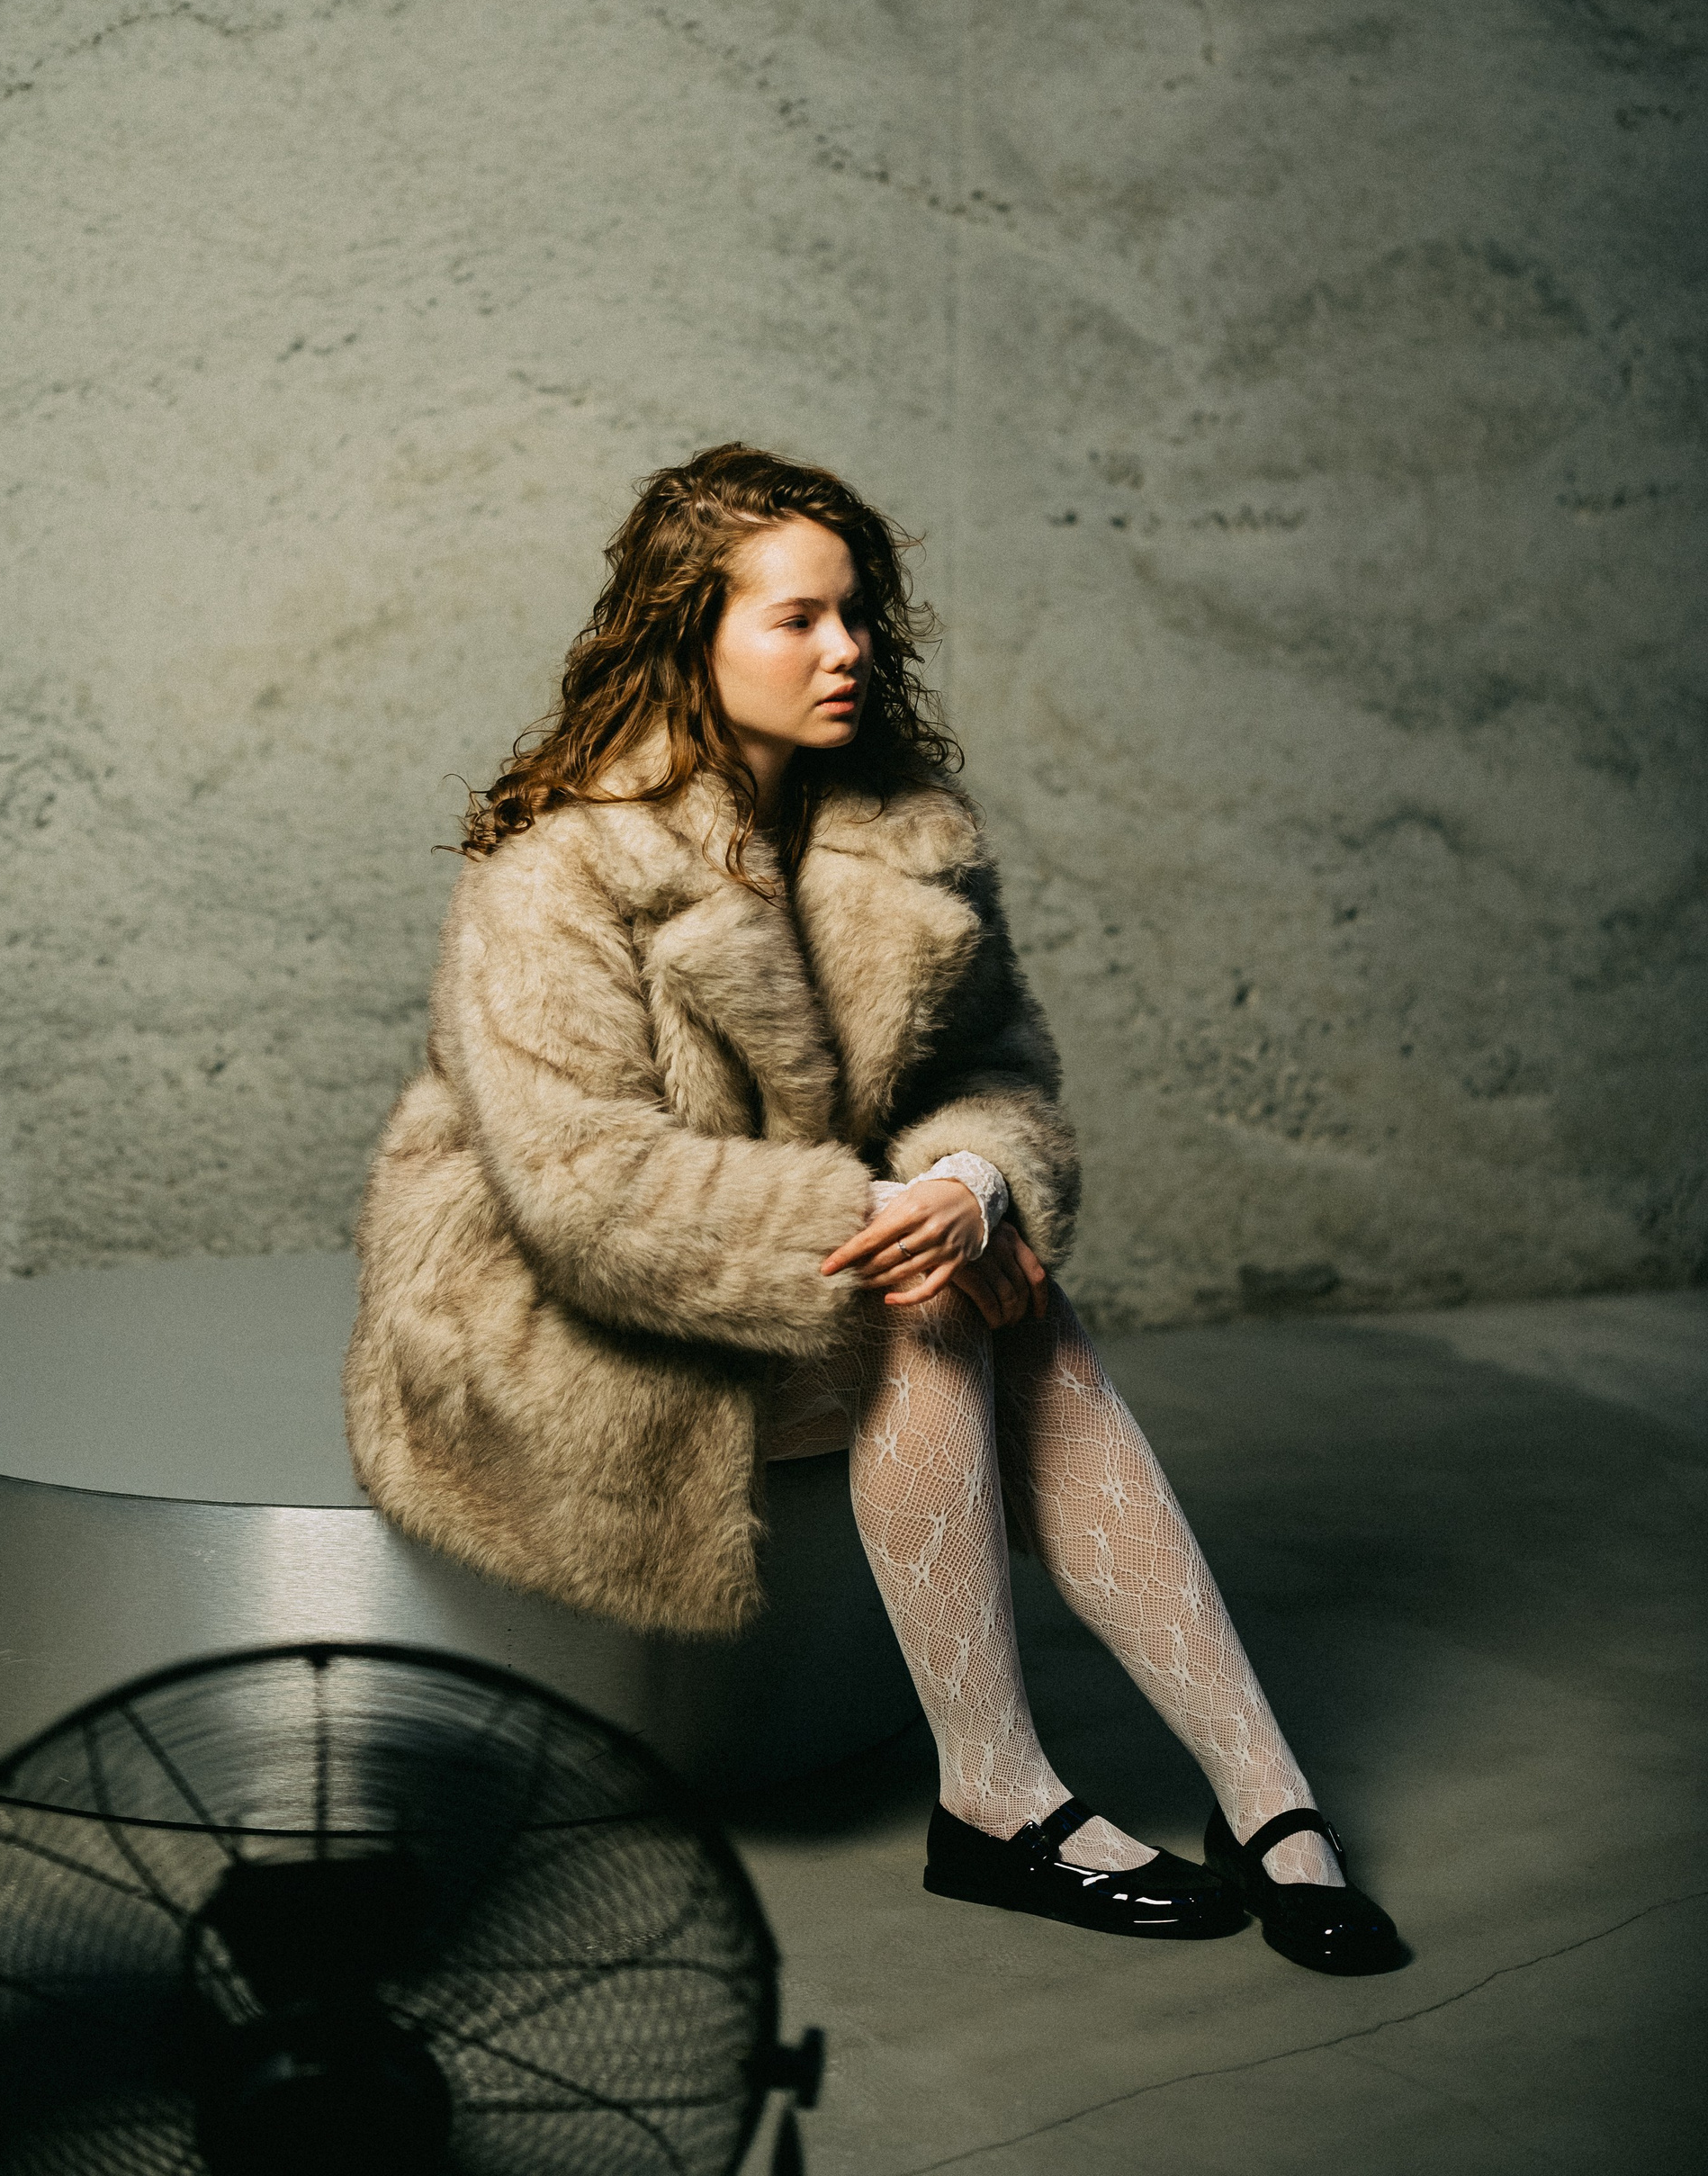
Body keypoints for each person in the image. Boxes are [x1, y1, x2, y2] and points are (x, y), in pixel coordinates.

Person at [345, 444, 1401, 1974]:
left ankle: (1266, 1800)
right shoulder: (559, 864)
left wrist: (973, 1183)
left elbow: (996, 1072)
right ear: (687, 634)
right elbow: (581, 1189)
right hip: (541, 1307)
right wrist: (894, 1219)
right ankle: (998, 1795)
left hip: (786, 1254)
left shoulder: (904, 829)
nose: (845, 648)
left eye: (855, 614)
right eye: (798, 619)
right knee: (925, 1299)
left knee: (1000, 1287)